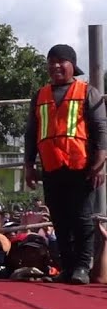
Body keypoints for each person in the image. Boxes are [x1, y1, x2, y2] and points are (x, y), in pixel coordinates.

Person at [23, 44, 106, 285]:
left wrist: (100, 161)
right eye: (51, 62)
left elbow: (100, 128)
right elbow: (31, 132)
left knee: (81, 217)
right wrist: (28, 164)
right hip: (51, 166)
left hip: (81, 166)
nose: (55, 66)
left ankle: (82, 266)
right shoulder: (40, 95)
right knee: (59, 218)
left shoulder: (88, 92)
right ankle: (68, 267)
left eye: (61, 61)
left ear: (72, 65)